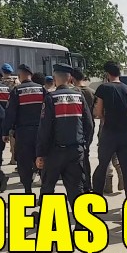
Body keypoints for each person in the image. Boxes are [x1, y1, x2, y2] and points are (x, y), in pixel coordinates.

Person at [35, 64, 94, 229]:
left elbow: (44, 129)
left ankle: (48, 223)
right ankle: (82, 225)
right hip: (75, 151)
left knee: (48, 187)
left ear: (55, 79)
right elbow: (89, 125)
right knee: (76, 189)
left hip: (54, 152)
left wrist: (40, 153)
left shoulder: (51, 98)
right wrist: (84, 145)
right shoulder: (79, 96)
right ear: (70, 78)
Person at [92, 61, 127, 197]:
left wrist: (104, 117)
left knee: (103, 166)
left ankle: (97, 198)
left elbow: (98, 112)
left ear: (107, 74)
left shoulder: (103, 88)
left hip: (109, 133)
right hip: (125, 134)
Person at [2, 64, 45, 195]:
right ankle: (44, 191)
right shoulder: (42, 89)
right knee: (42, 160)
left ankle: (27, 191)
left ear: (20, 75)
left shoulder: (17, 90)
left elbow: (10, 113)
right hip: (41, 133)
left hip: (23, 133)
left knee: (24, 163)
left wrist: (5, 132)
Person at [71, 68, 97, 193]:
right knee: (85, 155)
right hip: (90, 126)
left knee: (76, 157)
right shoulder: (92, 92)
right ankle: (88, 183)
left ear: (72, 78)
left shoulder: (72, 92)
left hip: (76, 126)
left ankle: (80, 183)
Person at [0, 63, 20, 166]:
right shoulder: (16, 82)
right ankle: (13, 158)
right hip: (12, 112)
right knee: (13, 137)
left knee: (1, 135)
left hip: (0, 111)